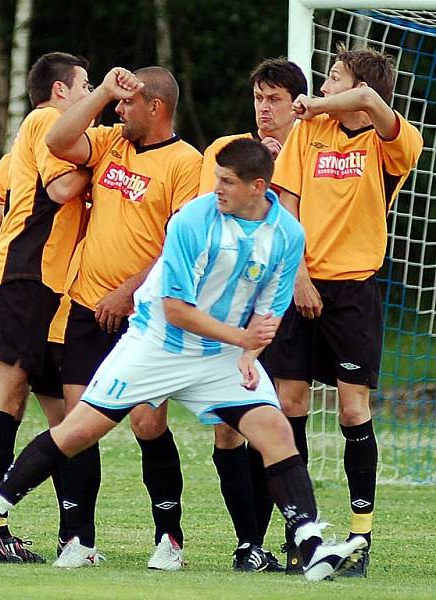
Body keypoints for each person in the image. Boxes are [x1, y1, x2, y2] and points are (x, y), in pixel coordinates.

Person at [0, 137, 370, 582]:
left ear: (257, 187)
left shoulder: (286, 233)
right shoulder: (193, 220)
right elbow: (176, 309)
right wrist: (241, 337)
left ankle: (309, 545)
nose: (218, 189)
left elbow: (270, 307)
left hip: (219, 354)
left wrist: (250, 353)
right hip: (157, 345)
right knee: (76, 433)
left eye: (227, 181)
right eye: (216, 179)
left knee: (275, 429)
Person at [263, 44, 424, 577]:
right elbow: (286, 207)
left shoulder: (392, 140)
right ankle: (301, 531)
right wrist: (299, 276)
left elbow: (369, 101)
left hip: (354, 292)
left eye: (334, 77)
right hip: (301, 285)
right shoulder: (307, 134)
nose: (324, 86)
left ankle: (360, 536)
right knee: (289, 404)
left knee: (354, 410)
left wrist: (321, 100)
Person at [44, 65, 201, 569]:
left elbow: (181, 246)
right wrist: (106, 91)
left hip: (146, 317)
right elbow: (57, 138)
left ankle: (169, 538)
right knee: (77, 424)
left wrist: (127, 291)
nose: (118, 109)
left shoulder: (186, 163)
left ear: (155, 107)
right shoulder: (110, 141)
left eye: (128, 102)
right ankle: (78, 540)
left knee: (146, 421)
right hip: (88, 306)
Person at [0, 51, 93, 562]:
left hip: (50, 289)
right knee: (5, 400)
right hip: (18, 277)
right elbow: (54, 189)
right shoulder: (46, 120)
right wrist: (99, 164)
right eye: (85, 85)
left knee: (66, 414)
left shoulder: (60, 133)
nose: (89, 93)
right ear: (60, 90)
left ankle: (76, 537)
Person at [198, 58, 308, 573]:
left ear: (295, 106)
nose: (264, 109)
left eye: (275, 100)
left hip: (283, 303)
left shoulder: (311, 152)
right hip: (234, 310)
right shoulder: (229, 155)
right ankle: (248, 543)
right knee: (228, 428)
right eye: (259, 99)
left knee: (280, 415)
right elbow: (211, 216)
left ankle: (296, 534)